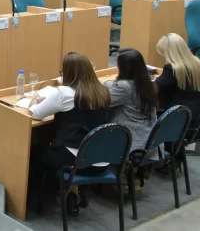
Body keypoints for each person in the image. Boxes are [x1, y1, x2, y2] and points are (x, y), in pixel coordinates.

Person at [27, 52, 110, 213]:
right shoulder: (103, 91)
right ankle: (70, 190)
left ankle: (36, 201)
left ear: (68, 73)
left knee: (36, 151)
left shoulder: (64, 93)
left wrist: (34, 101)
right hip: (101, 160)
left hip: (78, 162)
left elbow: (35, 113)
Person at [105, 49, 158, 156]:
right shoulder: (147, 82)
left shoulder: (123, 87)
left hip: (131, 144)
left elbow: (103, 103)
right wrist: (108, 84)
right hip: (148, 139)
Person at [155, 33, 200, 125]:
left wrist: (157, 79)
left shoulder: (172, 69)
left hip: (179, 119)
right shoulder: (198, 62)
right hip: (199, 116)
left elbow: (156, 87)